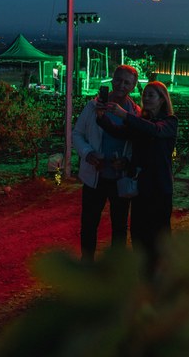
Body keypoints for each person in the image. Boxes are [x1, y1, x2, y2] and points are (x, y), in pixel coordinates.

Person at [97, 81, 178, 276]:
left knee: (157, 237)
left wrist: (125, 115)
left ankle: (160, 277)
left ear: (162, 99)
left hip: (159, 188)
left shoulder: (169, 121)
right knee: (139, 234)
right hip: (140, 187)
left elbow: (155, 131)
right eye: (145, 95)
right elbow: (119, 132)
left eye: (152, 95)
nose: (146, 98)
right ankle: (143, 277)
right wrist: (101, 117)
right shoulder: (142, 122)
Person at [72, 65, 140, 263]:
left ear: (134, 86)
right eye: (118, 80)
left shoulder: (135, 113)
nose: (121, 85)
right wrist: (88, 153)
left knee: (119, 226)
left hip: (120, 179)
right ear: (112, 80)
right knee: (89, 223)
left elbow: (137, 145)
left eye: (127, 82)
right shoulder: (93, 107)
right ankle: (87, 265)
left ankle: (115, 268)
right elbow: (77, 133)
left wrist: (126, 161)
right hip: (96, 175)